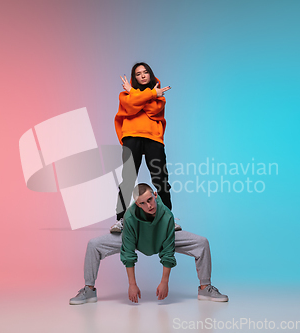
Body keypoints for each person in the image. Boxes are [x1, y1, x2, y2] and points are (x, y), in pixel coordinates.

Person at [69, 183, 228, 305]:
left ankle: (205, 288)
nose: (149, 206)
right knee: (93, 244)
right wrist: (132, 284)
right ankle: (89, 290)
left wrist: (164, 281)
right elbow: (128, 252)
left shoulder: (167, 215)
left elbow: (168, 251)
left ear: (156, 195)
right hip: (136, 237)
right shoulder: (130, 217)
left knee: (202, 243)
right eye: (143, 203)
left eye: (150, 199)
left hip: (161, 236)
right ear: (137, 205)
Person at [110, 62, 181, 233]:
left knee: (161, 180)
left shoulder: (159, 96)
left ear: (150, 74)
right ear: (134, 77)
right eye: (138, 73)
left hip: (153, 138)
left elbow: (151, 110)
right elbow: (130, 106)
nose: (142, 76)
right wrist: (147, 94)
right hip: (131, 137)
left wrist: (137, 95)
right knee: (128, 180)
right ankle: (121, 220)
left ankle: (167, 219)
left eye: (145, 72)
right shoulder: (126, 95)